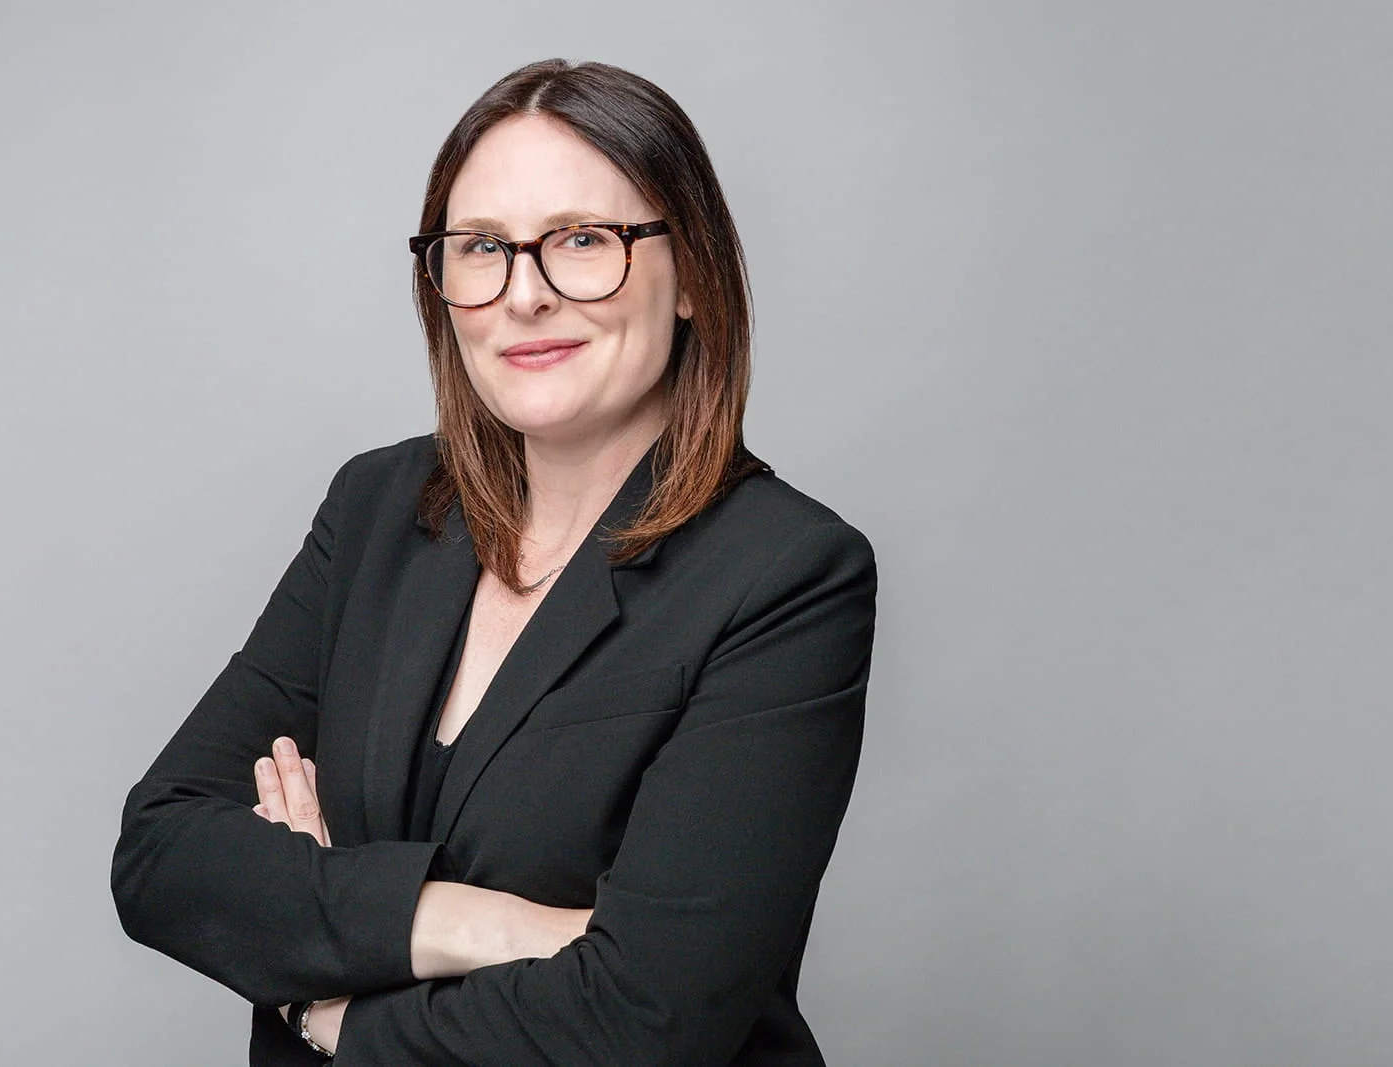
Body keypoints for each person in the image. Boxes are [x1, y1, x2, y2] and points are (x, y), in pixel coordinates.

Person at [111, 58, 878, 1066]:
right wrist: (494, 923)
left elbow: (648, 1018)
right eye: (482, 248)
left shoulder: (786, 574)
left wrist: (324, 1000)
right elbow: (164, 855)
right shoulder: (378, 508)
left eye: (581, 240)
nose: (525, 294)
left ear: (690, 272)